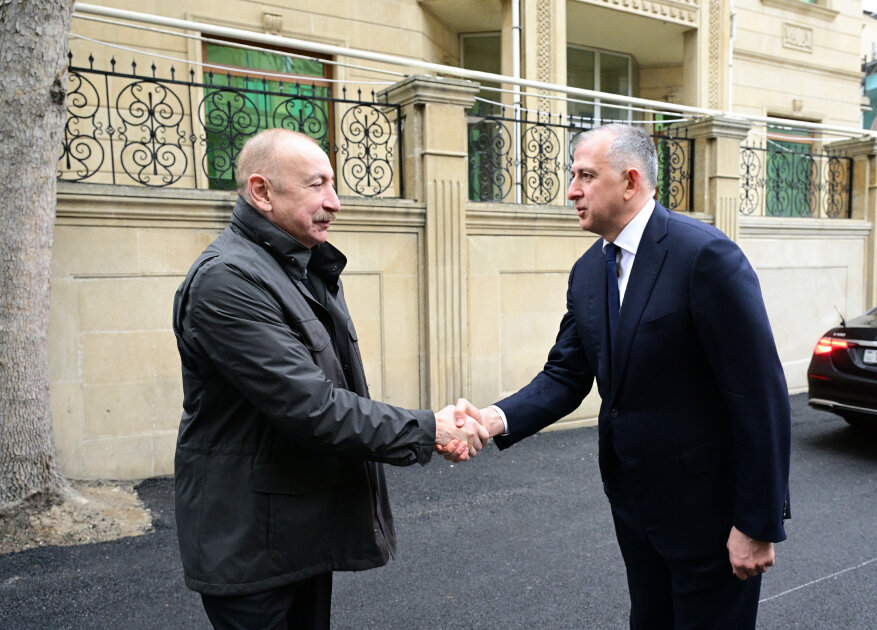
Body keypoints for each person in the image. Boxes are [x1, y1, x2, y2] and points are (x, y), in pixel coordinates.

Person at [451, 124, 791, 629]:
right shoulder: (588, 270)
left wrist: (757, 523)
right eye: (573, 176)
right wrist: (492, 419)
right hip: (636, 509)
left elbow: (758, 395)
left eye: (585, 176)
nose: (571, 190)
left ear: (630, 181)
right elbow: (566, 376)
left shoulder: (704, 256)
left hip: (711, 518)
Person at [172, 128, 486, 629]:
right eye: (317, 185)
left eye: (333, 185)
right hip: (251, 546)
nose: (334, 203)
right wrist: (433, 430)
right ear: (261, 192)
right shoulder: (227, 279)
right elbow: (313, 408)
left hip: (294, 533)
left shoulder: (297, 265)